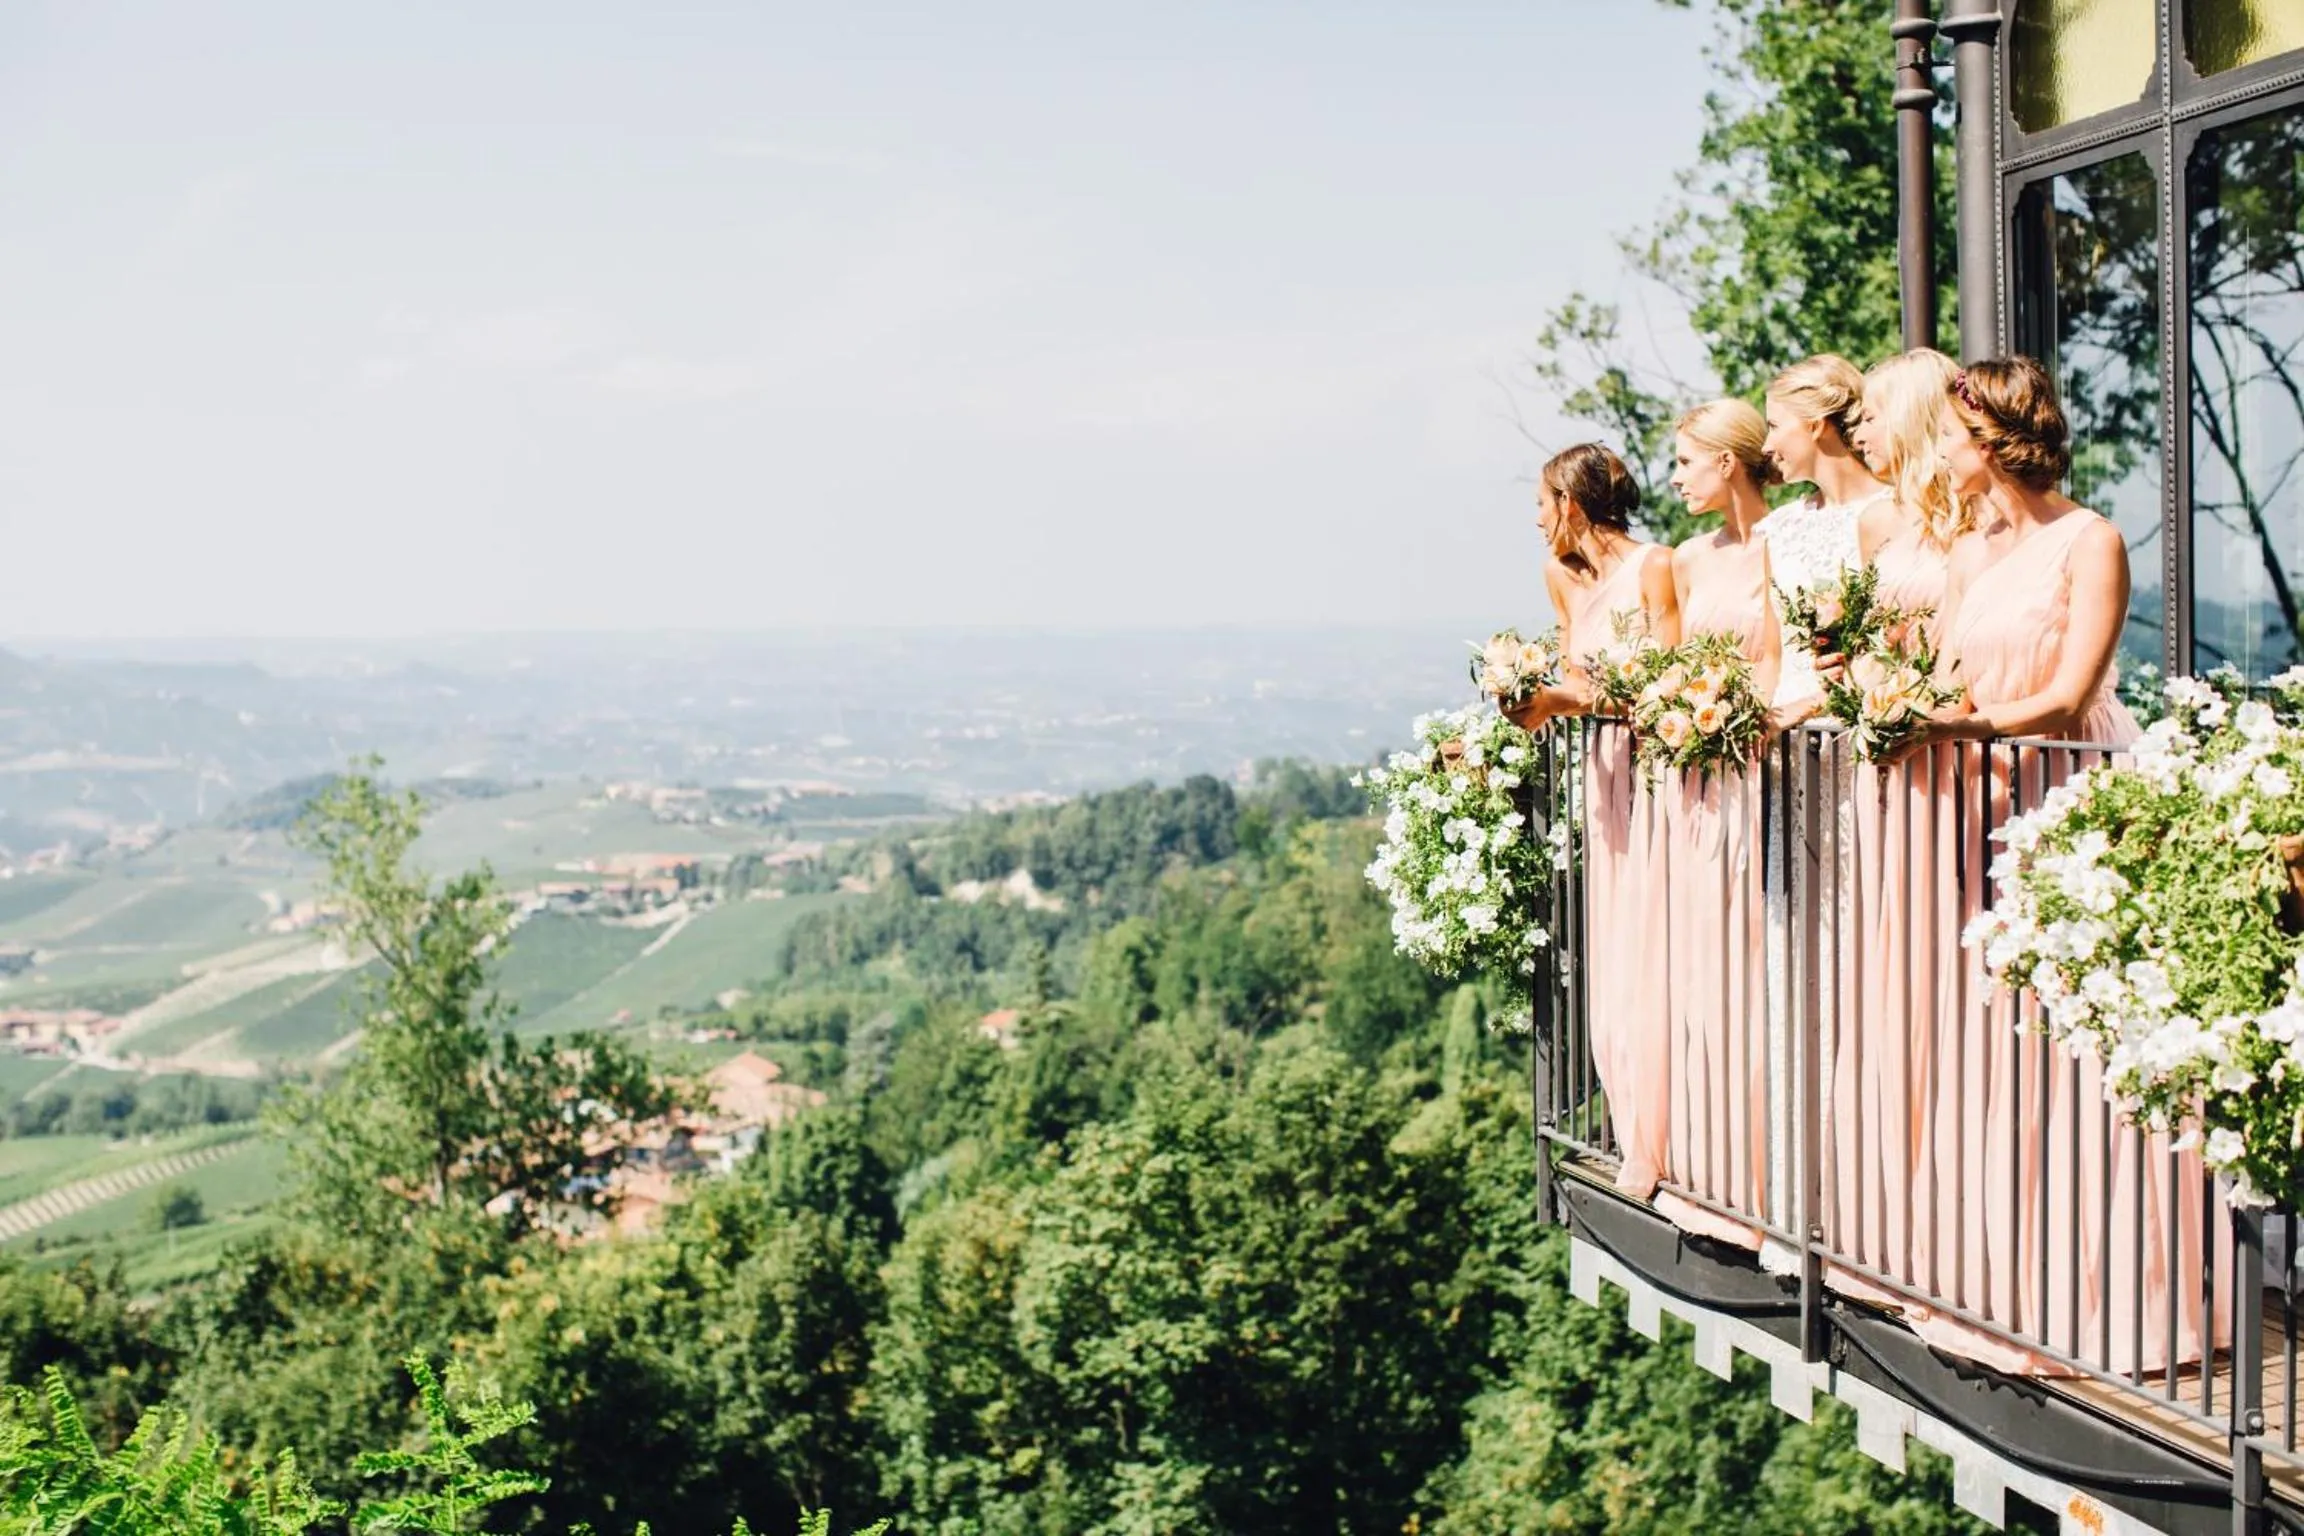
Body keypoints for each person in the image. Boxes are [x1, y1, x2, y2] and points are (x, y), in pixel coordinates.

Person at [1902, 355, 2221, 1376]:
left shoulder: (2093, 541)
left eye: (1952, 434)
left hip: (2064, 800)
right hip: (1970, 799)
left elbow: (2071, 690)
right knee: (1997, 1045)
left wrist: (1956, 725)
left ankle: (2117, 1289)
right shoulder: (1968, 554)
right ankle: (2012, 1274)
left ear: (1990, 442)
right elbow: (1939, 671)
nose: (1941, 451)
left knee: (2075, 1039)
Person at [1825, 347, 1967, 1294]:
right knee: (1903, 985)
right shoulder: (1893, 532)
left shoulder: (1964, 529)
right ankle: (1906, 1211)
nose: (1861, 432)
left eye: (1873, 416)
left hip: (1959, 766)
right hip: (1902, 769)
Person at [1505, 444, 1680, 1196]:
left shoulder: (1656, 568)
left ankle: (1667, 1130)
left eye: (1543, 503)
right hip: (1603, 781)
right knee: (1613, 949)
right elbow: (1574, 673)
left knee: (1659, 942)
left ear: (1572, 504)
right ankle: (1631, 1108)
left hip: (1660, 775)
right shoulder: (1562, 579)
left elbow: (1670, 681)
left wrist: (1565, 701)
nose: (1537, 519)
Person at [1657, 400, 1782, 1249]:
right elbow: (1672, 664)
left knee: (1756, 969)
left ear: (1729, 463)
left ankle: (1763, 1168)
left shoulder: (1785, 546)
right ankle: (1708, 1161)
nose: (1675, 477)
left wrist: (1739, 722)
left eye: (1686, 462)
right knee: (1702, 970)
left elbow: (1779, 664)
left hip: (1761, 772)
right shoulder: (1688, 560)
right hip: (1695, 780)